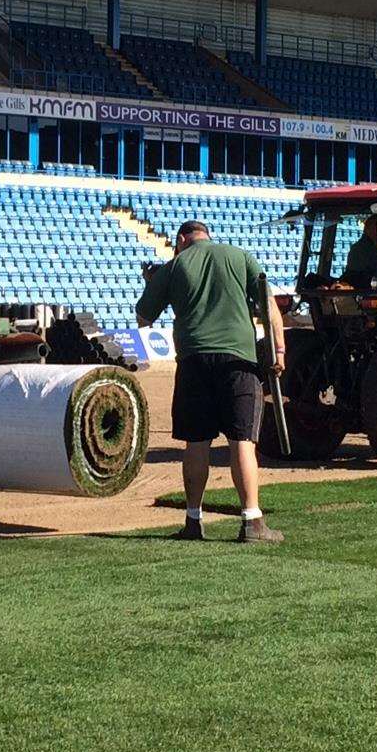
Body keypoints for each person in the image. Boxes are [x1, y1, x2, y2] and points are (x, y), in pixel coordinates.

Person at [136, 219, 285, 544]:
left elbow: (143, 318)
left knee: (196, 443)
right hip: (239, 360)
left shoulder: (174, 266)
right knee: (242, 441)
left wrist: (155, 281)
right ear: (207, 236)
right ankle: (252, 522)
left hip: (194, 360)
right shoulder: (240, 256)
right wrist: (280, 350)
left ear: (181, 239)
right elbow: (270, 307)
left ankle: (193, 521)